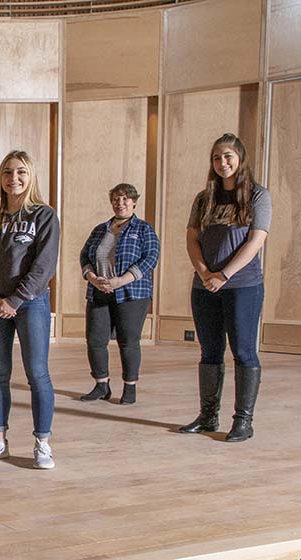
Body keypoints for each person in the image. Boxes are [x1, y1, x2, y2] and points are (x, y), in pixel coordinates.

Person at [0, 150, 60, 470]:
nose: (14, 178)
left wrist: (16, 300)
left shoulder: (44, 216)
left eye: (21, 172)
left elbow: (43, 266)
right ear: (1, 178)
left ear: (30, 176)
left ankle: (42, 443)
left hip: (31, 304)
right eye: (8, 172)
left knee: (37, 373)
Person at [178, 133, 270, 442]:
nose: (222, 163)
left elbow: (257, 240)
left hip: (243, 286)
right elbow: (192, 238)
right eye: (217, 158)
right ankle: (207, 416)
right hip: (204, 287)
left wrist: (224, 275)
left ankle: (243, 420)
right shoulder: (204, 198)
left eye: (228, 156)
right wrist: (205, 272)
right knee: (210, 351)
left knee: (243, 351)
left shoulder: (257, 195)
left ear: (240, 159)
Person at [78, 183, 160, 405]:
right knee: (95, 340)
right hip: (99, 291)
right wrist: (93, 278)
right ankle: (101, 384)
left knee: (128, 341)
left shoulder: (144, 229)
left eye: (125, 199)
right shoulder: (99, 229)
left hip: (132, 293)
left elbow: (151, 258)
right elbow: (84, 255)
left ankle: (130, 387)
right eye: (116, 199)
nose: (120, 203)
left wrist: (121, 281)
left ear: (134, 202)